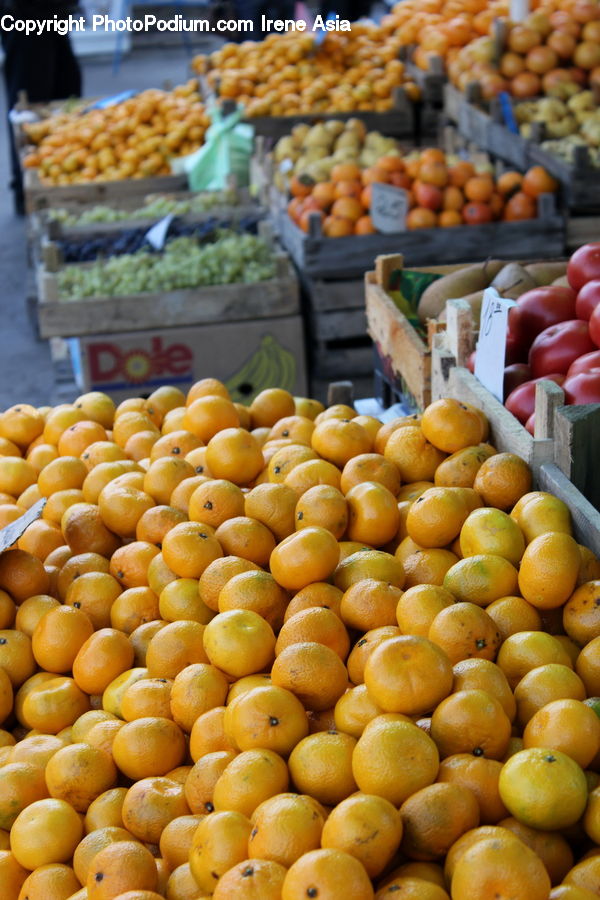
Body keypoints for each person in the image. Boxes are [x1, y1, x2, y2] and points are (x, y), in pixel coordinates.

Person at [1, 0, 82, 214]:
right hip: (27, 12)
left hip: (49, 10)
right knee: (31, 98)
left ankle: (56, 179)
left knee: (66, 88)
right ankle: (31, 188)